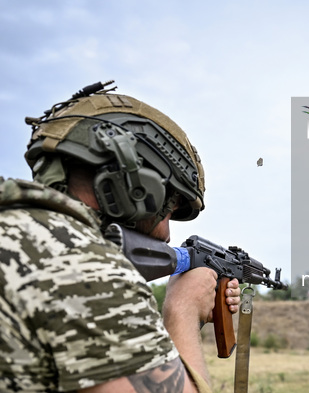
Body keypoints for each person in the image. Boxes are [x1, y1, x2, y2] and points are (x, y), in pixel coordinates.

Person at [0, 82, 241, 392]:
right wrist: (183, 308)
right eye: (169, 211)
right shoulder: (85, 265)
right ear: (137, 188)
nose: (167, 236)